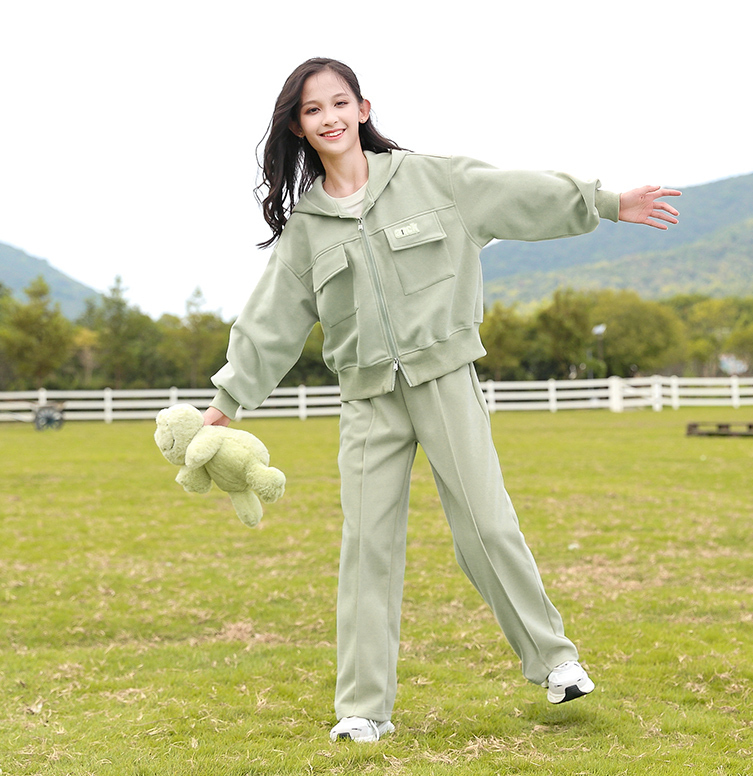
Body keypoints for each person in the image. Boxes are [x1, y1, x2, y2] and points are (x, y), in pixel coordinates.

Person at [203, 57, 681, 743]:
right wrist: (226, 403)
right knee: (367, 548)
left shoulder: (431, 179)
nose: (329, 117)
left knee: (486, 525)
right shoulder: (307, 227)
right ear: (299, 127)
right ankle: (363, 709)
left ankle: (555, 661)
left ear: (364, 110)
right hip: (368, 401)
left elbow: (519, 193)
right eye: (313, 110)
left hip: (446, 378)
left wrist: (604, 202)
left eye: (340, 103)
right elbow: (269, 323)